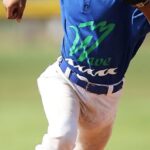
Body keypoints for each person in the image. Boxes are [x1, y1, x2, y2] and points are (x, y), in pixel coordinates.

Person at [3, 0, 150, 150]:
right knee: (61, 137)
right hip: (65, 81)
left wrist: (144, 5)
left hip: (106, 100)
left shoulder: (133, 10)